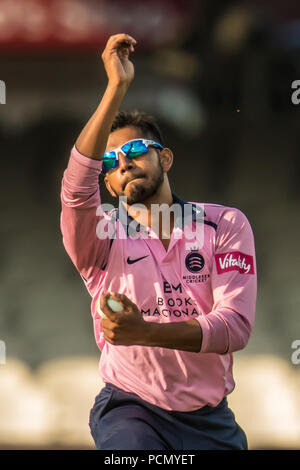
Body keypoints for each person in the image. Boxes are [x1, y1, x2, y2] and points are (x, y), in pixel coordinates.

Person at [60, 33, 257, 450]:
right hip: (132, 409)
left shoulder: (224, 223)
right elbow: (76, 190)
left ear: (164, 158)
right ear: (109, 183)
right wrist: (116, 87)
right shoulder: (100, 236)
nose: (124, 162)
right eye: (111, 161)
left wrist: (144, 331)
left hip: (209, 419)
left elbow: (235, 328)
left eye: (134, 148)